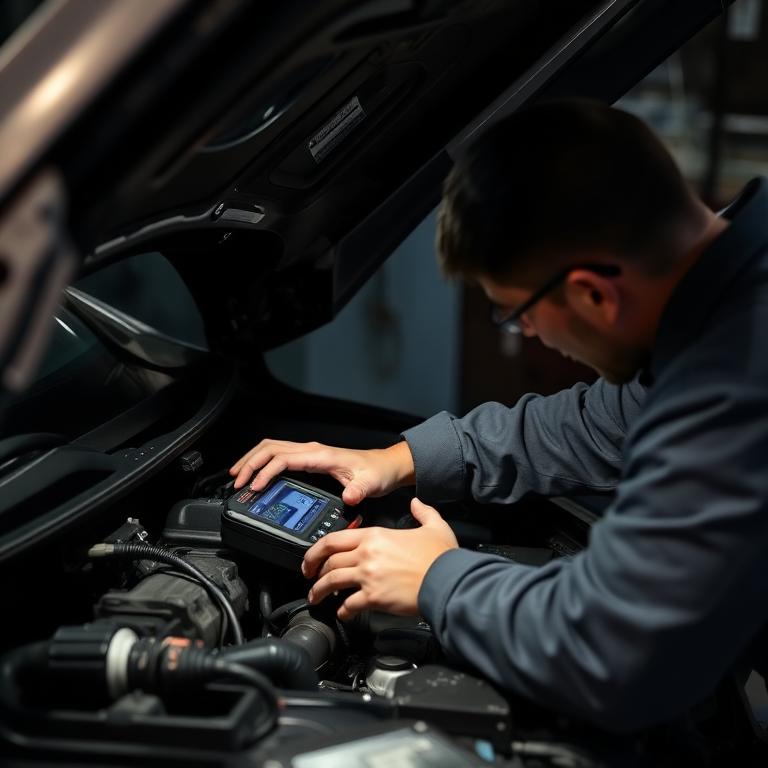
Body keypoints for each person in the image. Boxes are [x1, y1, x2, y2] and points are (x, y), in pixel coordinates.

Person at [229, 100, 768, 731]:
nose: (532, 335)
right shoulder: (731, 285)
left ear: (594, 292)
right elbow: (601, 421)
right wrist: (396, 461)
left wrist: (438, 579)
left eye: (520, 314)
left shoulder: (734, 382)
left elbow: (615, 654)